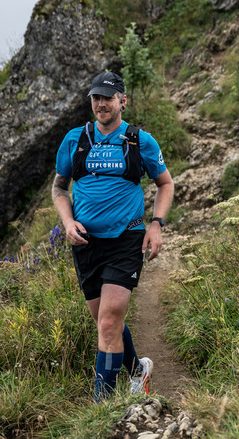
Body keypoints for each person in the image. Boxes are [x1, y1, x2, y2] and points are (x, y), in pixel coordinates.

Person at [52, 70, 174, 402]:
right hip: (86, 242)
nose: (101, 104)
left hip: (126, 239)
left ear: (122, 100)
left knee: (107, 324)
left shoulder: (139, 141)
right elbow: (59, 187)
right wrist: (67, 221)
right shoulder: (75, 140)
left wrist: (156, 224)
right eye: (96, 98)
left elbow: (165, 183)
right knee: (107, 323)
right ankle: (138, 371)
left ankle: (101, 409)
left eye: (107, 97)